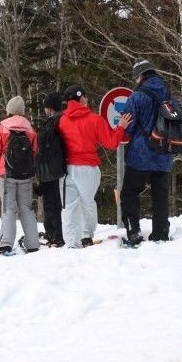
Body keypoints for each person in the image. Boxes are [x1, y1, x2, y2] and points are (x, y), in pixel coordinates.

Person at [57, 85, 132, 249]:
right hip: (88, 169)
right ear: (82, 98)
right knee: (88, 203)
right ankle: (86, 236)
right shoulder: (94, 119)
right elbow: (111, 143)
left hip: (65, 170)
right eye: (86, 96)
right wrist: (121, 128)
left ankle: (71, 243)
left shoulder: (61, 120)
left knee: (69, 208)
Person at [120, 59, 174, 245]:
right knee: (160, 194)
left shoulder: (136, 97)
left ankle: (133, 230)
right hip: (164, 153)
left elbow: (127, 128)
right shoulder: (169, 94)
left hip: (141, 155)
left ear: (140, 76)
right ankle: (161, 232)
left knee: (129, 192)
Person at [0, 95, 40, 254]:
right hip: (25, 175)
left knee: (8, 208)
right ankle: (33, 244)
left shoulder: (3, 127)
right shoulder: (30, 128)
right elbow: (35, 152)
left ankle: (5, 244)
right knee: (26, 208)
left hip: (6, 174)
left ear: (9, 111)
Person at [34, 92, 66, 247]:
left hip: (51, 169)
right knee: (52, 203)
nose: (46, 110)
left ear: (52, 107)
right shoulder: (56, 121)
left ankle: (55, 235)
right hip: (52, 168)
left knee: (52, 204)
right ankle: (52, 232)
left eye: (47, 107)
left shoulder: (56, 123)